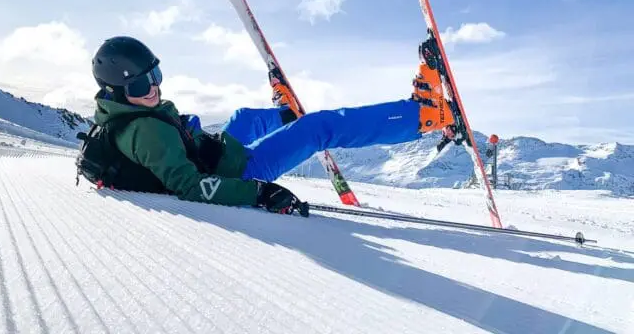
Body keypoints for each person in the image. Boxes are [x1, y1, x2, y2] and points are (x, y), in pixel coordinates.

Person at [88, 36, 453, 214]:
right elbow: (189, 187)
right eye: (139, 84)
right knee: (319, 128)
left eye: (155, 75)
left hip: (213, 153)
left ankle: (286, 114)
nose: (153, 88)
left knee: (242, 120)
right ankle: (425, 116)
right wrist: (258, 193)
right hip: (240, 171)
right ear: (116, 90)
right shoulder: (146, 131)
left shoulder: (126, 114)